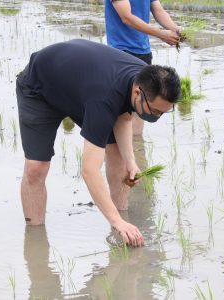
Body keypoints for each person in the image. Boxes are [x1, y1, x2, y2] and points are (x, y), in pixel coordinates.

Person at [16, 39, 180, 247]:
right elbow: (90, 171)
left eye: (163, 112)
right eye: (155, 111)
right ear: (137, 92)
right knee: (36, 168)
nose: (157, 116)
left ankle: (121, 227)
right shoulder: (105, 96)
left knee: (119, 156)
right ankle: (35, 240)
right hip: (39, 89)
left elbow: (125, 117)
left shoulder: (145, 78)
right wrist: (115, 220)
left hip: (79, 86)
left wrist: (131, 161)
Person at [105, 0, 180, 135]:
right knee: (120, 109)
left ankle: (138, 149)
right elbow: (126, 17)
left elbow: (158, 10)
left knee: (142, 104)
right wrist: (162, 34)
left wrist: (176, 29)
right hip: (120, 52)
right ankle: (115, 149)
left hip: (143, 52)